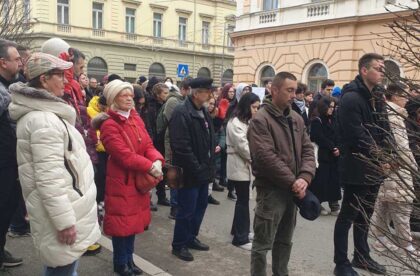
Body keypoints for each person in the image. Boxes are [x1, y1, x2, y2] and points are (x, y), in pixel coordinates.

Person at [8, 52, 101, 275]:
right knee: (62, 269)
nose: (67, 79)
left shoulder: (46, 114)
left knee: (65, 268)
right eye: (60, 75)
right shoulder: (43, 120)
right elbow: (48, 179)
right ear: (44, 79)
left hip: (65, 207)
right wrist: (64, 222)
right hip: (61, 213)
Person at [93, 79, 164, 275]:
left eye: (130, 94)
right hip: (121, 180)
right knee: (121, 224)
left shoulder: (135, 118)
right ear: (113, 98)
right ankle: (120, 263)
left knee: (132, 223)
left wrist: (157, 160)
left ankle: (130, 260)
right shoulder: (109, 124)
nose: (129, 98)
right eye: (124, 95)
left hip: (137, 180)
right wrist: (150, 166)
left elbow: (148, 145)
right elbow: (123, 156)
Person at [248, 71, 315, 276]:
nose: (294, 95)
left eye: (295, 90)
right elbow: (265, 157)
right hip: (271, 191)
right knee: (262, 245)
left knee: (285, 241)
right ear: (274, 90)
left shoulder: (296, 118)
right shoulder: (261, 119)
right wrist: (293, 181)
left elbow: (307, 149)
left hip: (292, 191)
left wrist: (305, 177)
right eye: (289, 90)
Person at [334, 53, 388, 276]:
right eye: (378, 68)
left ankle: (362, 256)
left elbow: (385, 130)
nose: (382, 72)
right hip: (356, 167)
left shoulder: (376, 97)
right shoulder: (351, 98)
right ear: (364, 70)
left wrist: (390, 155)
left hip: (375, 167)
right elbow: (357, 135)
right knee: (348, 215)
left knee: (365, 214)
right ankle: (341, 263)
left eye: (383, 68)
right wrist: (381, 158)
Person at [169, 77, 216, 262]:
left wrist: (208, 165)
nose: (210, 94)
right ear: (196, 93)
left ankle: (191, 237)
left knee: (200, 206)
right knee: (186, 209)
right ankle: (178, 244)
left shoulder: (202, 110)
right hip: (189, 172)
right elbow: (181, 147)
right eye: (207, 91)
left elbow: (209, 138)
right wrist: (197, 168)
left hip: (203, 170)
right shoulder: (182, 112)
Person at [370, 83, 418, 255]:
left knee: (384, 204)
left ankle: (380, 240)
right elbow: (402, 147)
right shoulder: (395, 115)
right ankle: (406, 245)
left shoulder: (386, 112)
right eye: (403, 95)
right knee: (402, 205)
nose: (407, 98)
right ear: (395, 96)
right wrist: (413, 167)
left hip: (387, 166)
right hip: (397, 167)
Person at [0, 39, 23, 269]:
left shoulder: (10, 86)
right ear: (3, 62)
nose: (20, 62)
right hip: (2, 162)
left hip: (10, 161)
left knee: (7, 207)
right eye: (16, 59)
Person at [227, 92, 260, 251]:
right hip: (239, 166)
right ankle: (240, 238)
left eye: (257, 107)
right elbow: (243, 147)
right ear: (246, 106)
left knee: (242, 200)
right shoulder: (235, 123)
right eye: (254, 107)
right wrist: (257, 159)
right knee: (243, 201)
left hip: (244, 166)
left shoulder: (246, 122)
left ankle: (239, 230)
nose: (256, 110)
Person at [163, 80, 191, 218]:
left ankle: (181, 204)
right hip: (173, 141)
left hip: (184, 142)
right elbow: (172, 122)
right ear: (185, 89)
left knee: (183, 175)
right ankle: (174, 207)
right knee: (174, 174)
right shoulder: (173, 101)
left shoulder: (188, 102)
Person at [309, 96, 341, 216]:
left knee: (334, 181)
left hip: (334, 156)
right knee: (320, 182)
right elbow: (317, 136)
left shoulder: (334, 119)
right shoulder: (317, 120)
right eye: (330, 107)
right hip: (323, 156)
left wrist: (338, 147)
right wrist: (332, 147)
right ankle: (318, 204)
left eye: (333, 107)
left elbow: (339, 134)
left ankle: (334, 205)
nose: (332, 109)